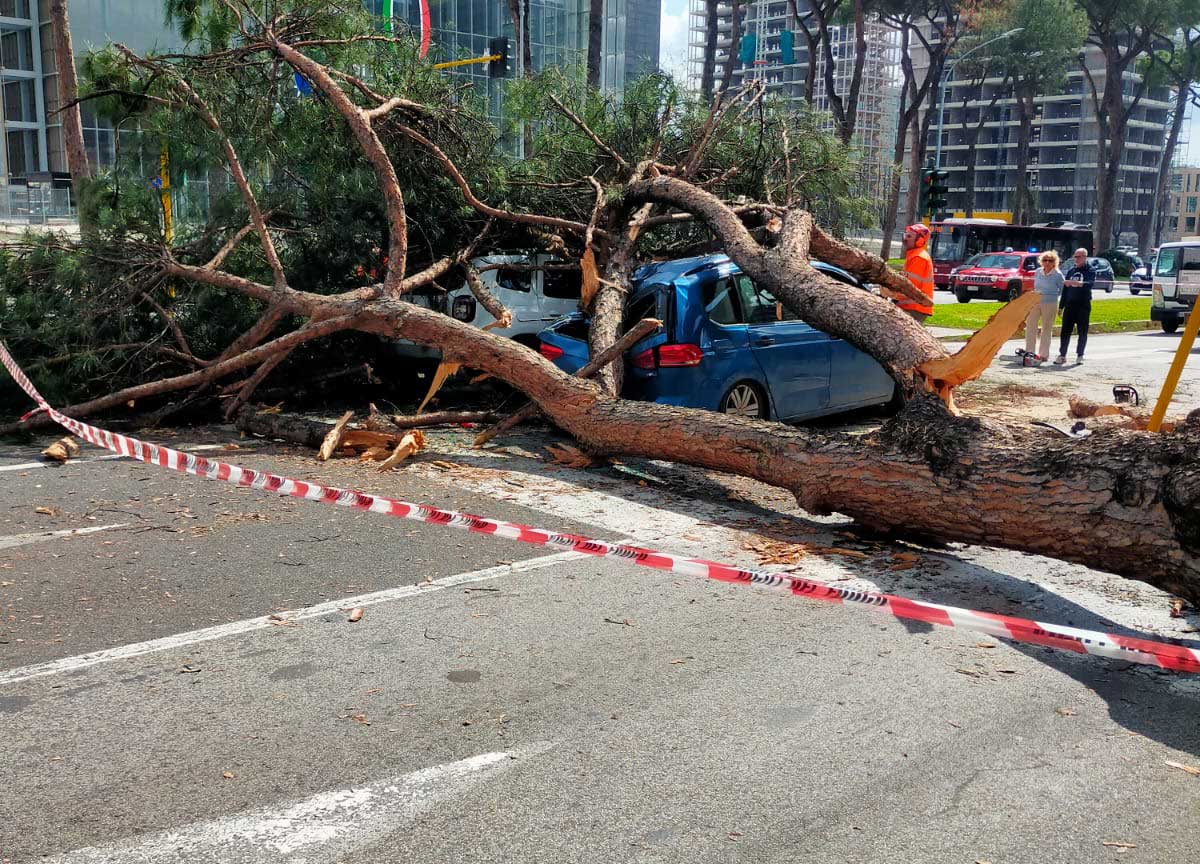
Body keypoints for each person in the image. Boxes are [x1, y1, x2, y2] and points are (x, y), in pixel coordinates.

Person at [884, 223, 934, 322]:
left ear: (919, 241)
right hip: (909, 306)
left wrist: (892, 293)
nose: (905, 239)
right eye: (905, 235)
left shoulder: (919, 258)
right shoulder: (913, 256)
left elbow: (909, 287)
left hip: (914, 308)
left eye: (909, 236)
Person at [1025, 250, 1064, 362]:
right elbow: (1035, 286)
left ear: (1054, 262)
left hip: (1050, 303)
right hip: (1035, 302)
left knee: (1046, 328)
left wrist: (1052, 296)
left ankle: (1043, 354)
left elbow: (1062, 290)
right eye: (1044, 260)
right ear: (1041, 261)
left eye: (1050, 260)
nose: (1047, 263)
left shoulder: (1057, 275)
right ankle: (1029, 352)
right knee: (1031, 326)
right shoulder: (1038, 272)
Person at [1057, 248, 1094, 364]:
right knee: (1065, 331)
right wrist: (1061, 306)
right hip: (1070, 305)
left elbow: (1091, 284)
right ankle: (1062, 355)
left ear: (1084, 257)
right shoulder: (1071, 270)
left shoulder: (1090, 270)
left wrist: (1080, 284)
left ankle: (1080, 355)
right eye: (1075, 256)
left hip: (1083, 305)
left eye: (1079, 257)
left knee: (1082, 330)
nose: (1076, 259)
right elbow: (1065, 290)